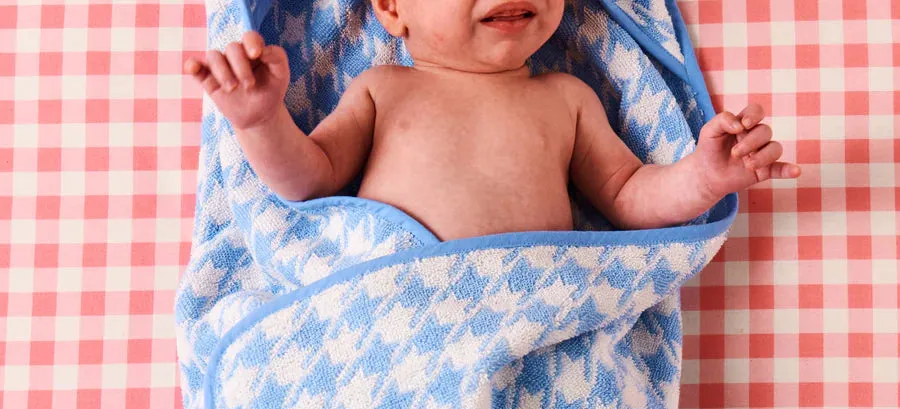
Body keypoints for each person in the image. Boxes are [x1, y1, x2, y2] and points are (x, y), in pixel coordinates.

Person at [184, 0, 801, 243]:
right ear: (393, 7)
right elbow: (309, 182)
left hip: (527, 319)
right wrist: (260, 120)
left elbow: (626, 195)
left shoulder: (567, 98)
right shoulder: (383, 92)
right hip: (402, 318)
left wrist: (703, 175)